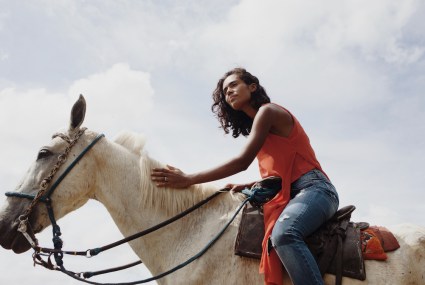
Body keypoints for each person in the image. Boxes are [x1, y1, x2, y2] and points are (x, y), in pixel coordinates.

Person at [151, 68, 339, 285]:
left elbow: (242, 163)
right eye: (224, 92)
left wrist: (189, 179)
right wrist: (250, 184)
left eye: (233, 85)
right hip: (290, 192)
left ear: (252, 87)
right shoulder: (262, 127)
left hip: (315, 189)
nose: (228, 92)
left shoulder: (268, 112)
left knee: (285, 235)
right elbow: (281, 174)